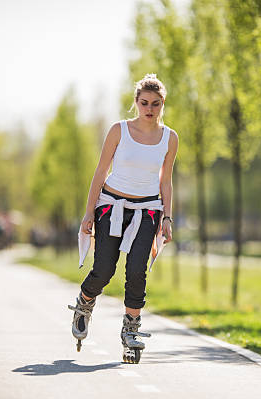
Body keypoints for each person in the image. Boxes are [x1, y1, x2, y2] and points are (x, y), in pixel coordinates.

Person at [69, 74, 178, 363]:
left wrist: (167, 217)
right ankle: (85, 302)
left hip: (148, 210)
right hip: (111, 205)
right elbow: (100, 171)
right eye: (144, 103)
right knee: (104, 269)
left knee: (137, 270)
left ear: (162, 104)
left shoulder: (170, 138)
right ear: (136, 102)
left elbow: (165, 180)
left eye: (155, 104)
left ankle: (130, 330)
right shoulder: (119, 130)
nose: (149, 109)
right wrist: (89, 212)